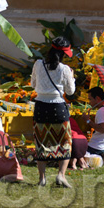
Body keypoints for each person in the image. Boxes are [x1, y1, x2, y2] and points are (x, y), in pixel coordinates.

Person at [31, 36, 75, 188]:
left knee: (41, 142)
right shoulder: (65, 70)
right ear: (64, 54)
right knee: (65, 142)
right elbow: (70, 91)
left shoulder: (37, 64)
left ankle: (42, 178)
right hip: (58, 108)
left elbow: (33, 84)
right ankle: (61, 175)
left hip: (40, 107)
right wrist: (72, 77)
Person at [83, 86, 104, 165]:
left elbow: (102, 129)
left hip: (97, 146)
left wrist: (88, 120)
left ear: (97, 98)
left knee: (76, 150)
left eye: (90, 99)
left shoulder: (101, 111)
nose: (89, 102)